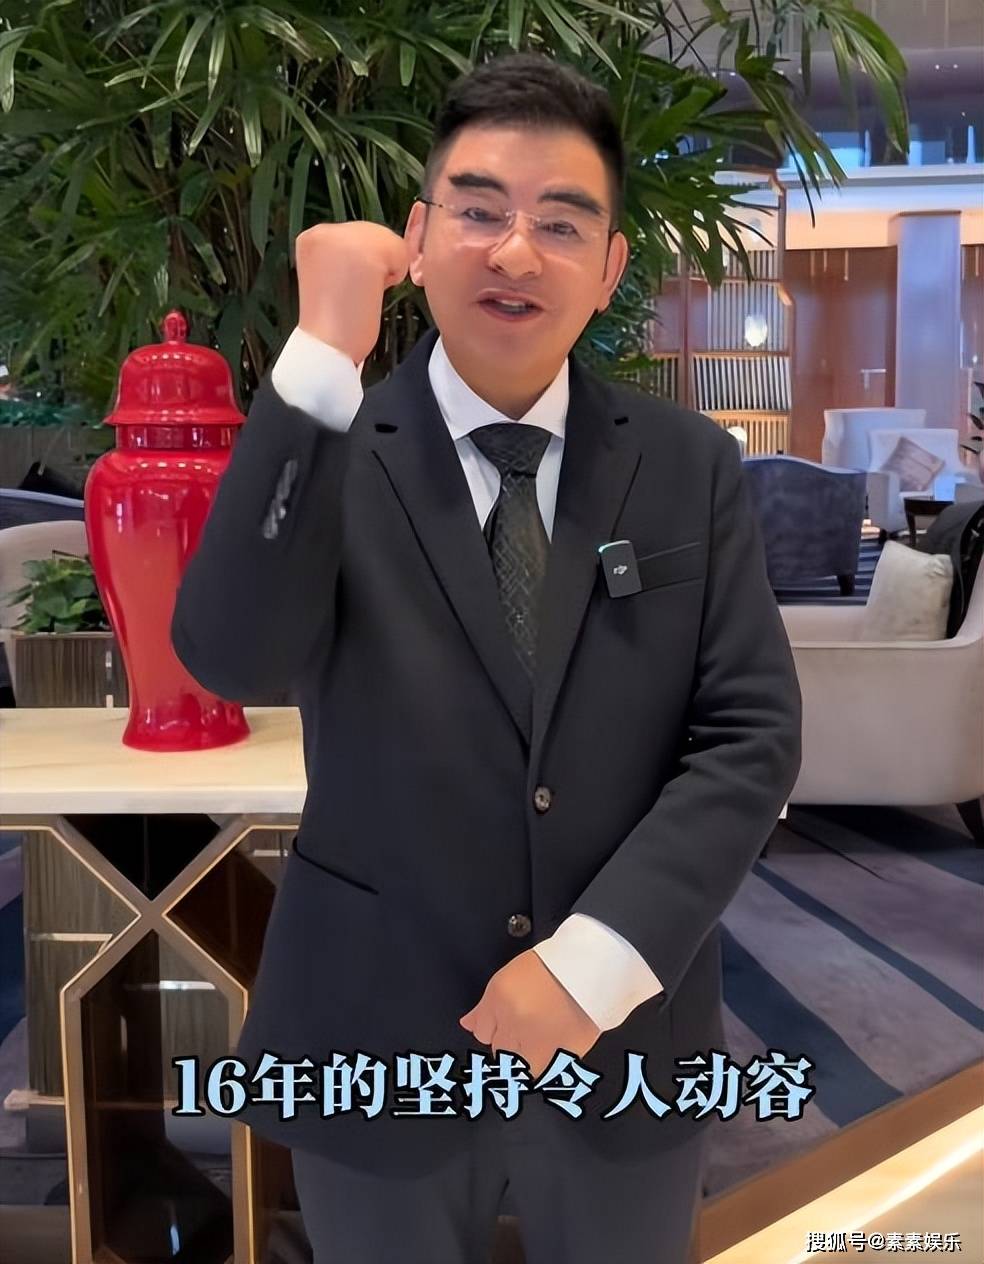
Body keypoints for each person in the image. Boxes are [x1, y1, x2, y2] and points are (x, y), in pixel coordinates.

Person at [171, 50, 802, 1264]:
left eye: (561, 224)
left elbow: (750, 737)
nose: (516, 251)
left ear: (611, 266)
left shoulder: (688, 466)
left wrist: (590, 964)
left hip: (624, 1031)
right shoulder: (332, 439)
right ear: (417, 237)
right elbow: (231, 655)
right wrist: (321, 353)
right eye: (478, 211)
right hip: (375, 1024)